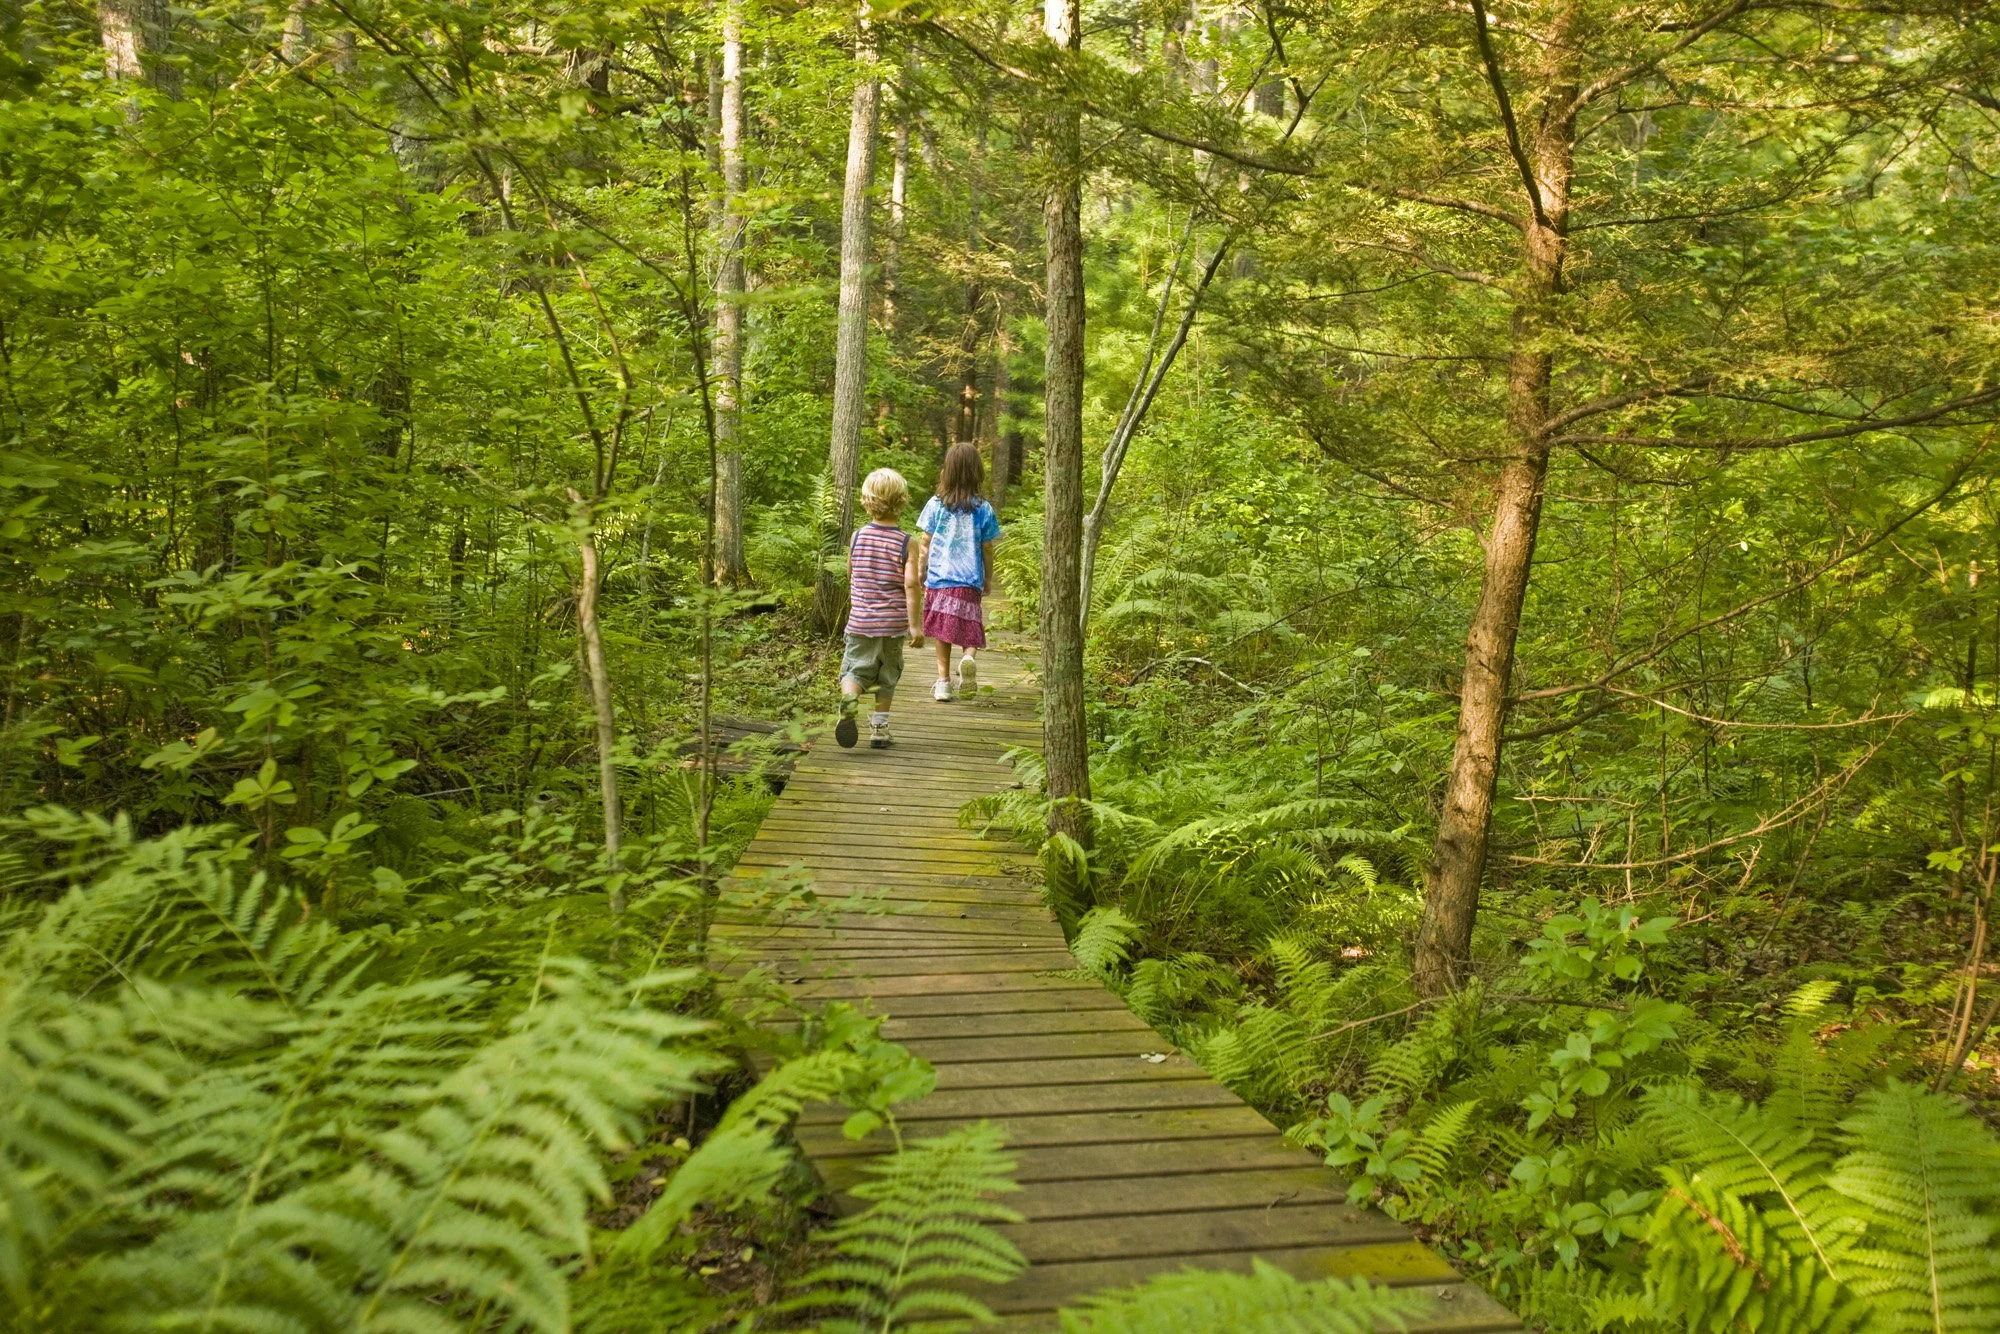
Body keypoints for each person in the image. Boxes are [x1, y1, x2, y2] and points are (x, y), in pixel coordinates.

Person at [836, 468, 925, 749]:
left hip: (860, 621)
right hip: (892, 624)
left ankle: (849, 699)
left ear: (867, 501)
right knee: (887, 675)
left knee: (855, 670)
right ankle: (879, 729)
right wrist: (915, 626)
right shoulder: (905, 543)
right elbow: (911, 585)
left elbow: (851, 572)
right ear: (902, 502)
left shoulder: (857, 537)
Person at [916, 441, 1001, 702]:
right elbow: (987, 547)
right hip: (969, 579)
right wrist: (987, 578)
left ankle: (943, 683)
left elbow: (925, 543)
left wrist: (921, 571)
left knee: (943, 632)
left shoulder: (935, 504)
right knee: (970, 624)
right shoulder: (983, 508)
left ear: (948, 471)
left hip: (940, 579)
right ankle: (968, 658)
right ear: (977, 472)